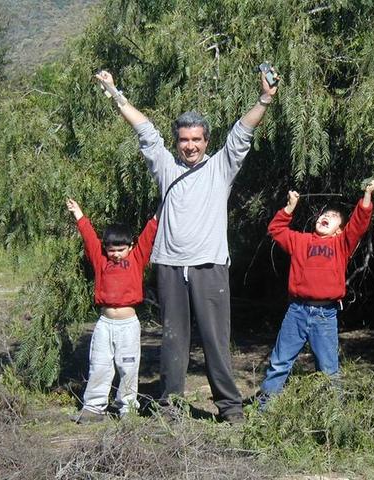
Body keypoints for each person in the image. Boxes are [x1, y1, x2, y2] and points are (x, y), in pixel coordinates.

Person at [95, 66, 279, 423]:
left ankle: (230, 408)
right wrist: (114, 93)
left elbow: (243, 131)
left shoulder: (221, 167)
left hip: (209, 265)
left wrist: (265, 98)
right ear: (177, 141)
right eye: (183, 140)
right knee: (173, 341)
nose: (190, 145)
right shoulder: (165, 166)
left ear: (206, 141)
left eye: (196, 139)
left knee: (215, 341)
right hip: (169, 265)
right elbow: (144, 130)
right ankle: (171, 407)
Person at [258, 179, 374, 409]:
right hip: (296, 312)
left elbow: (360, 222)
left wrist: (367, 194)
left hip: (325, 316)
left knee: (328, 370)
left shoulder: (342, 245)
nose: (327, 217)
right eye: (324, 215)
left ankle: (332, 420)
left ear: (340, 230)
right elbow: (276, 230)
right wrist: (290, 207)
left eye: (334, 217)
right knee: (279, 363)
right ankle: (263, 413)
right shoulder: (300, 241)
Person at [66, 198, 157, 423]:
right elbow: (89, 237)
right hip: (105, 325)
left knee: (128, 367)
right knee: (99, 364)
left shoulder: (137, 259)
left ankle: (127, 408)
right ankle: (94, 407)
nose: (115, 254)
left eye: (120, 249)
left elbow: (149, 232)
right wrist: (78, 212)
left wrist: (161, 210)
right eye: (111, 249)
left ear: (131, 247)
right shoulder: (100, 260)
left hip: (128, 325)